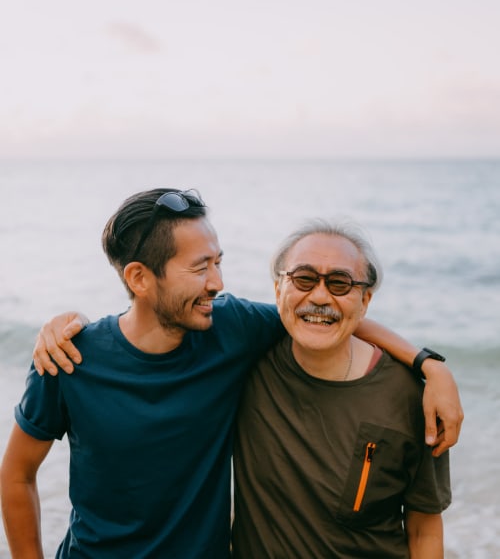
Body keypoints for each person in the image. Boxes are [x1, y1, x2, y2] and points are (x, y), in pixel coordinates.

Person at [0, 189, 461, 558]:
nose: (218, 283)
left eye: (218, 262)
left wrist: (428, 364)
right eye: (201, 268)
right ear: (140, 278)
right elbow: (17, 474)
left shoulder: (230, 328)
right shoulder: (69, 359)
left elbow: (322, 311)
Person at [232, 219, 451, 558]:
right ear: (278, 290)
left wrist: (431, 367)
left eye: (340, 283)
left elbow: (424, 530)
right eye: (303, 279)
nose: (319, 296)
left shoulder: (411, 397)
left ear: (365, 301)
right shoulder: (244, 362)